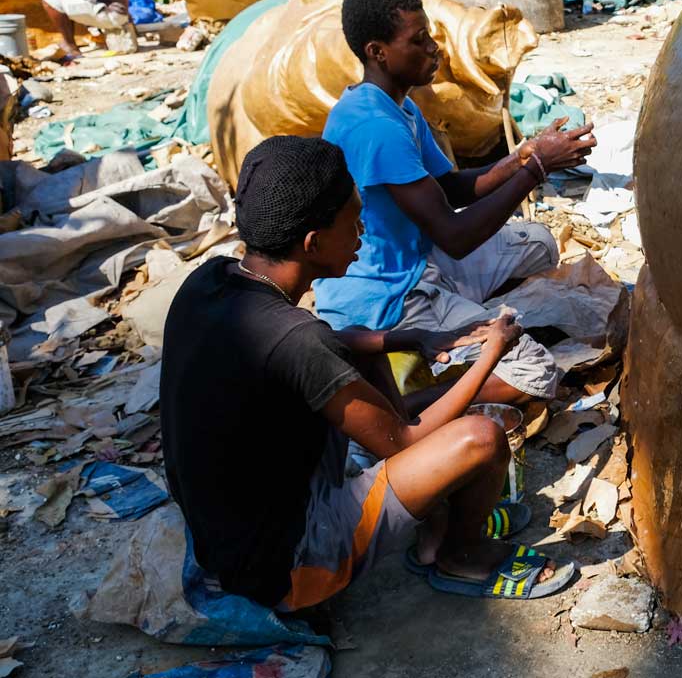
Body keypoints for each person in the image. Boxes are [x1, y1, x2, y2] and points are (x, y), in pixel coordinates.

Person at [161, 136, 575, 610]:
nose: (363, 232)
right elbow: (405, 441)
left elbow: (309, 352)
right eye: (353, 222)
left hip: (225, 537)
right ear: (313, 243)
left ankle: (436, 528)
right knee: (480, 438)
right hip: (288, 564)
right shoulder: (299, 340)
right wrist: (493, 351)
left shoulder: (208, 281)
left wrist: (408, 338)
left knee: (365, 341)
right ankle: (463, 554)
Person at [314, 0, 596, 407]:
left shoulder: (400, 106)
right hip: (387, 301)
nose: (434, 49)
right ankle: (405, 406)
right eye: (419, 40)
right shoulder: (376, 127)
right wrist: (537, 169)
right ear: (378, 52)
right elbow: (455, 236)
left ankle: (464, 328)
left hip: (418, 262)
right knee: (535, 370)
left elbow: (451, 186)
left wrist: (524, 155)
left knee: (539, 244)